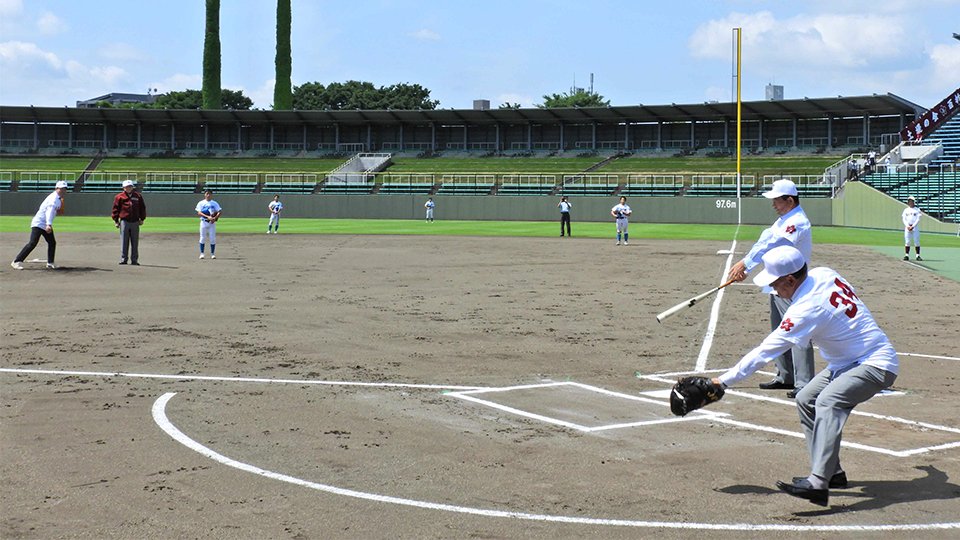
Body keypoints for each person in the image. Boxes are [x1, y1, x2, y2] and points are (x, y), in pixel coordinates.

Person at [712, 245, 899, 507]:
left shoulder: (806, 309)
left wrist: (722, 382)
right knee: (807, 398)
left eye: (775, 284)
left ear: (790, 279)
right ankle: (832, 472)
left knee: (828, 401)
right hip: (845, 363)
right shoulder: (823, 273)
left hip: (875, 363)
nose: (773, 290)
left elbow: (765, 351)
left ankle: (818, 483)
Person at [727, 179, 814, 398]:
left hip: (792, 283)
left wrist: (746, 265)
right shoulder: (782, 220)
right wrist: (745, 264)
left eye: (777, 199)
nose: (773, 204)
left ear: (789, 200)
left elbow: (773, 246)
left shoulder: (797, 221)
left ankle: (804, 383)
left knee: (797, 331)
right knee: (779, 329)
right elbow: (763, 242)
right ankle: (785, 376)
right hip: (778, 282)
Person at [11, 180, 68, 270]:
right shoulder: (53, 199)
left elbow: (58, 212)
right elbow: (49, 212)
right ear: (56, 188)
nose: (63, 190)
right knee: (32, 243)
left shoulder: (58, 199)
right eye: (61, 189)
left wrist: (61, 207)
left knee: (52, 242)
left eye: (65, 189)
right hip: (39, 223)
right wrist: (48, 224)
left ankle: (50, 263)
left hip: (45, 223)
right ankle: (16, 261)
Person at [111, 179, 147, 265]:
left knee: (135, 242)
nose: (129, 188)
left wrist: (142, 219)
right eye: (127, 187)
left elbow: (142, 208)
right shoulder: (119, 197)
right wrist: (116, 220)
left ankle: (134, 260)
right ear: (123, 188)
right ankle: (124, 259)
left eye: (130, 186)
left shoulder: (138, 196)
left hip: (135, 221)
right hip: (124, 221)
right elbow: (115, 209)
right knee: (124, 241)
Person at [195, 189, 222, 259]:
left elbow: (219, 211)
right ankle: (202, 253)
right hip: (203, 222)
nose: (208, 195)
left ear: (211, 195)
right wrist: (208, 217)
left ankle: (212, 254)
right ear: (205, 194)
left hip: (211, 224)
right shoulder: (201, 203)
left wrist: (215, 218)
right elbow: (199, 213)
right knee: (202, 238)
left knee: (212, 238)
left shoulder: (214, 203)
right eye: (207, 193)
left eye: (209, 194)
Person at [901, 196, 922, 261]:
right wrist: (907, 226)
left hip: (915, 227)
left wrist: (913, 226)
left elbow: (918, 219)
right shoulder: (906, 210)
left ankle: (917, 255)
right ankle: (906, 255)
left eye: (911, 201)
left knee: (916, 241)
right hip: (907, 227)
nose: (910, 202)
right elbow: (904, 219)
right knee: (907, 241)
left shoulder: (917, 210)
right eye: (909, 201)